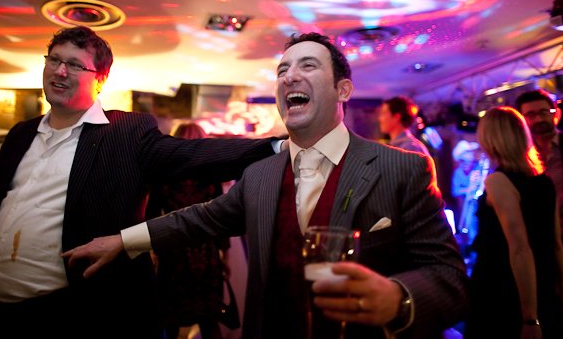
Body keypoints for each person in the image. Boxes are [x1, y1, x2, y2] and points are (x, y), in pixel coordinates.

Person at [64, 32, 469, 339]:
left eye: (308, 66)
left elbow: (449, 280)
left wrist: (398, 299)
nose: (290, 76)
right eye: (282, 71)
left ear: (343, 89)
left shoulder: (403, 168)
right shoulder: (260, 173)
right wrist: (122, 241)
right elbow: (198, 220)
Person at [0, 26, 282, 338]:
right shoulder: (21, 134)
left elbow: (194, 155)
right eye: (54, 60)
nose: (60, 71)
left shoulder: (125, 133)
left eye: (75, 65)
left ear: (100, 79)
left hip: (76, 316)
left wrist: (279, 148)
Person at [464, 106, 563, 339]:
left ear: (490, 139)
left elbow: (520, 249)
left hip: (504, 288)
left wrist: (529, 318)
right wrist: (562, 293)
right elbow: (556, 245)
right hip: (542, 282)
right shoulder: (544, 181)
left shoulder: (498, 181)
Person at [146, 122, 229, 339]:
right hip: (206, 252)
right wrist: (225, 255)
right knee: (209, 319)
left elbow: (151, 213)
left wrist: (153, 250)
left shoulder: (164, 174)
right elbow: (222, 216)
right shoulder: (211, 173)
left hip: (173, 250)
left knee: (171, 320)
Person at [516, 89, 563, 249]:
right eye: (530, 115)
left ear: (556, 114)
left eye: (543, 112)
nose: (538, 119)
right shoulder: (519, 158)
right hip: (543, 242)